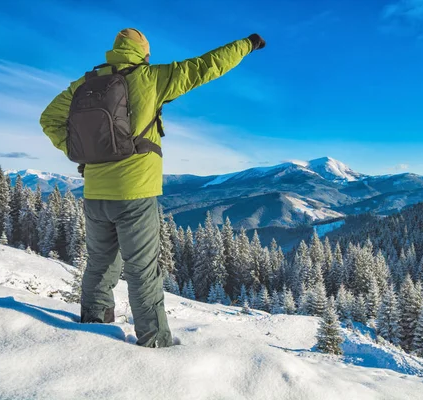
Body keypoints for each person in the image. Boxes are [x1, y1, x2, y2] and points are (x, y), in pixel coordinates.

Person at [40, 28, 266, 347]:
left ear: (115, 50)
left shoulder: (83, 85)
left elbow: (48, 119)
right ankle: (155, 343)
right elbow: (207, 65)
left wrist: (80, 152)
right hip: (135, 194)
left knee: (99, 265)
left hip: (94, 194)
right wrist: (247, 44)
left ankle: (93, 333)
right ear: (144, 54)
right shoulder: (151, 77)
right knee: (143, 271)